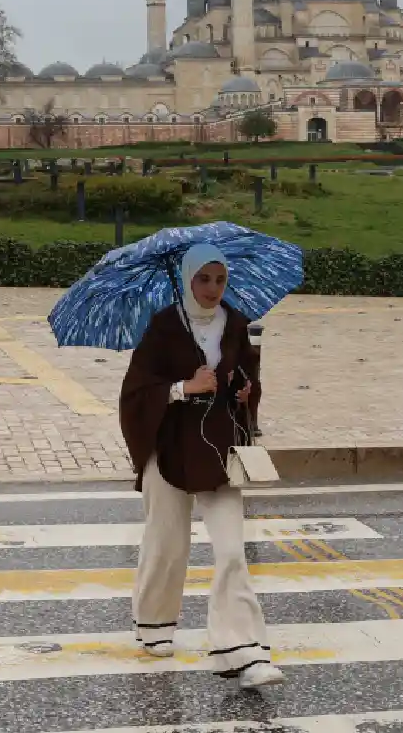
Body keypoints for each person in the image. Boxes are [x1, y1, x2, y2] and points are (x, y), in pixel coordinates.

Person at [117, 244, 281, 689]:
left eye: (220, 279)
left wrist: (247, 393)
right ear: (188, 279)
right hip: (169, 448)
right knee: (166, 543)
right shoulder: (164, 326)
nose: (212, 289)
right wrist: (182, 387)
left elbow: (249, 376)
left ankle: (243, 651)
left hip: (219, 452)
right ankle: (154, 625)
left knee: (231, 550)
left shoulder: (237, 324)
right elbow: (134, 393)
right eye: (203, 279)